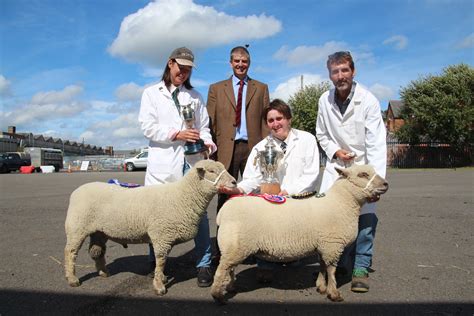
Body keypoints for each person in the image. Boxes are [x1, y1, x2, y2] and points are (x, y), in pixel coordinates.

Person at [138, 47, 216, 288]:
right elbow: (147, 127)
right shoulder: (151, 93)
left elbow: (203, 127)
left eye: (188, 69)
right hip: (164, 162)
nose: (183, 72)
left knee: (199, 213)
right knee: (157, 213)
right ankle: (156, 262)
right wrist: (177, 133)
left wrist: (208, 143)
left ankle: (204, 263)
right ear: (170, 63)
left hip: (191, 164)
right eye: (180, 67)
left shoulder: (195, 96)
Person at [220, 99, 320, 282]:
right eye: (271, 120)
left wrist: (287, 191)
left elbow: (311, 174)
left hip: (299, 198)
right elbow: (253, 177)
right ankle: (266, 264)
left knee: (294, 235)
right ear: (266, 124)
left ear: (289, 118)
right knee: (265, 230)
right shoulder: (260, 148)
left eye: (279, 118)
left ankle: (292, 259)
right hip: (271, 200)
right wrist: (237, 189)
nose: (275, 124)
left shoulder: (307, 139)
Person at [315, 51, 387, 293]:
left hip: (363, 170)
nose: (340, 75)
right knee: (332, 219)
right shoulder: (324, 100)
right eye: (335, 72)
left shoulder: (368, 100)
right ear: (330, 75)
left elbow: (377, 142)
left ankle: (361, 268)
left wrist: (375, 183)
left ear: (353, 71)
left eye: (344, 70)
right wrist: (335, 151)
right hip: (337, 169)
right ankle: (339, 264)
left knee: (365, 218)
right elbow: (322, 134)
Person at [207, 45, 270, 258]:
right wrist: (212, 151)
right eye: (237, 61)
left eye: (244, 61)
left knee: (255, 196)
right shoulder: (216, 88)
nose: (241, 65)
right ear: (230, 63)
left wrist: (266, 148)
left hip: (253, 149)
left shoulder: (261, 88)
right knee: (225, 199)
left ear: (249, 63)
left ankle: (257, 247)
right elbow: (211, 121)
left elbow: (265, 121)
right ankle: (221, 249)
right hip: (226, 149)